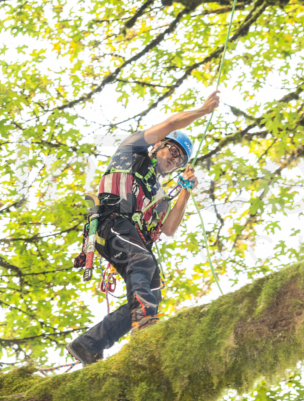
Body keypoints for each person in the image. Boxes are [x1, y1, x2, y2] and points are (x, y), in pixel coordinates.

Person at [66, 90, 220, 367]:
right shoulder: (131, 152)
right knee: (142, 261)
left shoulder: (159, 194)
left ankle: (90, 344)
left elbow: (169, 229)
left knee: (153, 289)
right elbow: (171, 124)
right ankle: (144, 320)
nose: (174, 159)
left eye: (180, 159)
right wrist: (202, 111)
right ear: (158, 145)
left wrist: (185, 192)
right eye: (172, 150)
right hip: (111, 222)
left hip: (129, 236)